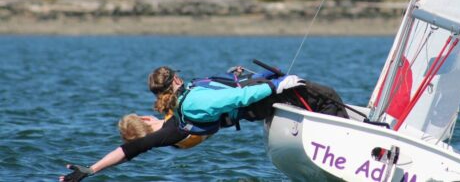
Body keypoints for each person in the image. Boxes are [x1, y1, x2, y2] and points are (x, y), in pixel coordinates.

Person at [60, 65, 348, 181]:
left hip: (255, 96)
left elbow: (131, 150)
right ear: (175, 79)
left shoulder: (175, 115)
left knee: (318, 95)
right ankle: (346, 148)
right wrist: (277, 86)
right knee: (326, 95)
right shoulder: (193, 103)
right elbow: (239, 98)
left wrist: (91, 169)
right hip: (261, 100)